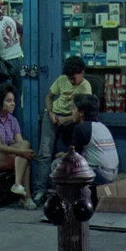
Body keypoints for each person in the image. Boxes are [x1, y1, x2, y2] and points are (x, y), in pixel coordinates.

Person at [33, 55, 92, 206]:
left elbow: (83, 112)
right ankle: (40, 190)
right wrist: (50, 112)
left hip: (71, 119)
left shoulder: (86, 87)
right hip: (54, 116)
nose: (71, 81)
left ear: (82, 72)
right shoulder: (61, 80)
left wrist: (66, 119)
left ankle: (63, 192)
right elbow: (49, 97)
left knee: (72, 154)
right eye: (69, 78)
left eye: (74, 78)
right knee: (45, 152)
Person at [53, 93, 119, 210]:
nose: (71, 112)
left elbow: (72, 158)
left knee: (57, 165)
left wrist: (62, 155)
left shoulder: (81, 128)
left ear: (81, 112)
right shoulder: (101, 126)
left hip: (101, 174)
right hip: (112, 173)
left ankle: (67, 202)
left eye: (73, 108)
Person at [0, 83, 37, 210]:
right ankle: (26, 197)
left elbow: (21, 143)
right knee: (24, 157)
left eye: (13, 101)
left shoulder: (13, 120)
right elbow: (0, 147)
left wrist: (23, 151)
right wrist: (22, 153)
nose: (13, 104)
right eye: (9, 101)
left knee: (25, 147)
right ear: (0, 103)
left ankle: (18, 186)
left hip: (7, 153)